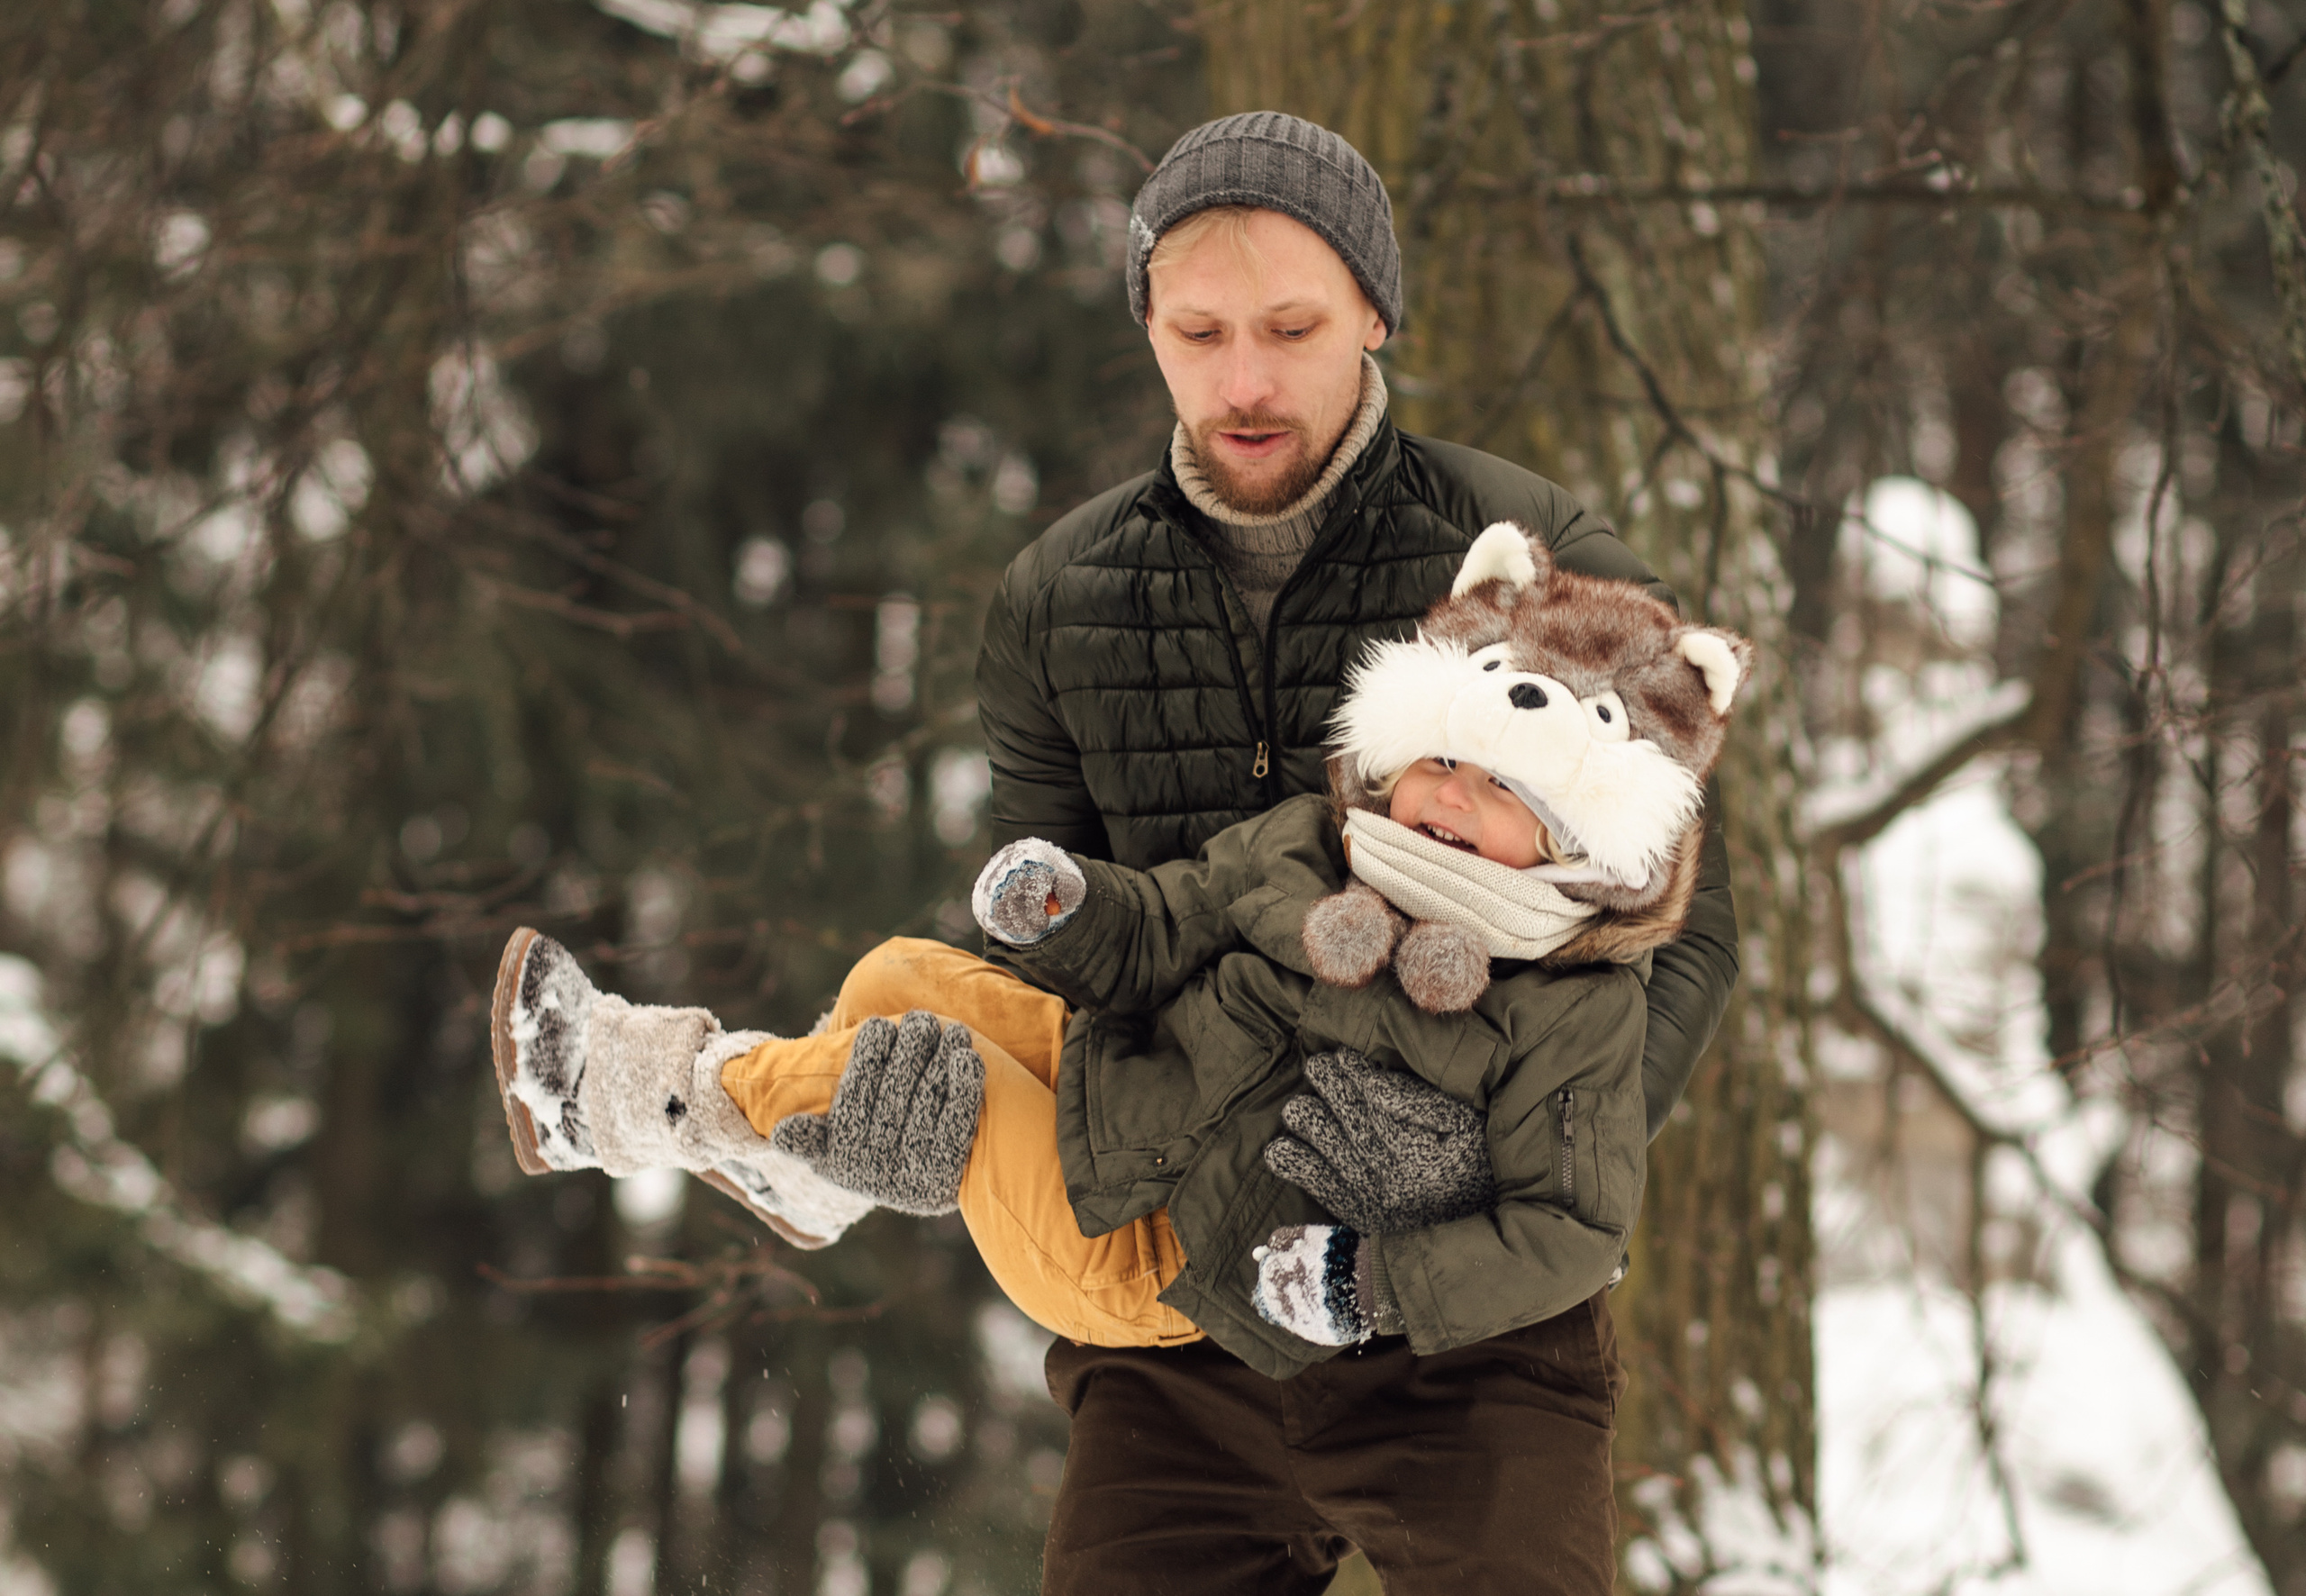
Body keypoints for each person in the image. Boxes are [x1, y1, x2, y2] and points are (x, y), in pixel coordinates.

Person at [490, 521, 1748, 1592]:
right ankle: (802, 1169)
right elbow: (1164, 922)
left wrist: (1382, 1276)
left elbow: (1573, 1231)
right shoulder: (1309, 843)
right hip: (1144, 1106)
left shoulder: (1570, 1002)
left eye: (1500, 789)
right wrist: (1072, 908)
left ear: (1586, 842)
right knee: (896, 980)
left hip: (1155, 1265)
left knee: (957, 1076)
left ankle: (667, 1097)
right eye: (1440, 757)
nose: (1447, 797)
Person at [965, 111, 1741, 1591]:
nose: (1243, 381)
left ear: (1374, 314)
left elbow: (1685, 930)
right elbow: (1063, 933)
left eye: (1291, 327)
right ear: (1148, 329)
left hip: (1479, 1349)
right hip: (1185, 1312)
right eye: (1197, 332)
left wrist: (1498, 1165)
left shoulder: (1535, 556)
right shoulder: (1058, 595)